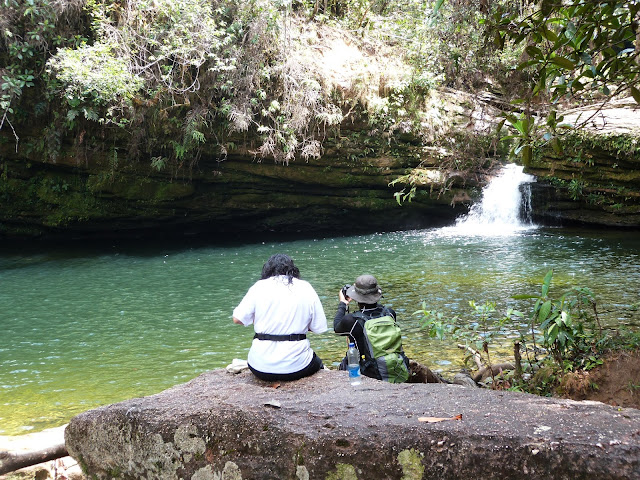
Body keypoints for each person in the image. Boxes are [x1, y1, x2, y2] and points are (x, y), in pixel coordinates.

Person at [232, 253, 327, 381]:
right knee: (317, 363)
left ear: (268, 270)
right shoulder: (305, 287)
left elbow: (237, 319)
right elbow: (318, 328)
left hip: (259, 368)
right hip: (297, 367)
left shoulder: (259, 287)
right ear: (293, 270)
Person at [334, 274, 410, 382]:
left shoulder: (352, 321)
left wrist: (343, 303)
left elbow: (337, 328)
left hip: (368, 372)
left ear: (357, 297)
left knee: (348, 361)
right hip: (393, 366)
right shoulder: (390, 313)